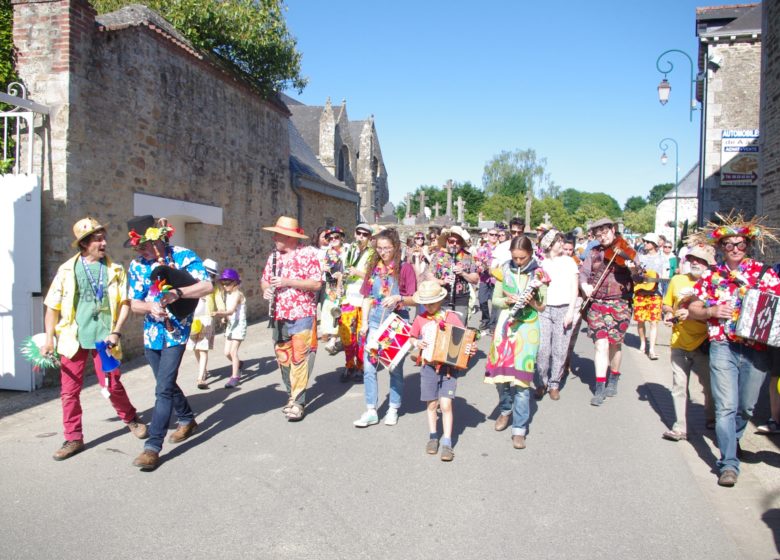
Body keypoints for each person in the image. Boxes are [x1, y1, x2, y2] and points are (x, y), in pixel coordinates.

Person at [42, 217, 148, 461]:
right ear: (84, 244)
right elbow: (52, 307)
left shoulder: (115, 270)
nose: (104, 243)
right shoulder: (67, 270)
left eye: (103, 238)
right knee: (69, 392)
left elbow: (124, 303)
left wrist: (116, 331)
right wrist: (49, 339)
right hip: (73, 337)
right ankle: (73, 437)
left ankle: (131, 418)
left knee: (111, 385)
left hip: (104, 339)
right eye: (98, 239)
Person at [687, 214, 780, 487]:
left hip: (756, 348)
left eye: (740, 244)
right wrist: (711, 311)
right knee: (726, 406)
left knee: (746, 406)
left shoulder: (766, 274)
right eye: (729, 244)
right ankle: (728, 463)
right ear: (721, 247)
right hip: (722, 345)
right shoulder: (711, 276)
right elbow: (693, 308)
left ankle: (734, 437)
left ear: (748, 245)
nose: (735, 248)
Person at [127, 216, 213, 470]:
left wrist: (177, 293)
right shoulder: (137, 265)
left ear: (156, 240)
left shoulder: (183, 256)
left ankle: (152, 447)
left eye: (142, 246)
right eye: (137, 247)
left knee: (162, 389)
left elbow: (207, 285)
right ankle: (187, 419)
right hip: (152, 333)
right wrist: (150, 307)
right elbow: (134, 302)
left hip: (176, 332)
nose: (139, 251)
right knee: (165, 382)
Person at [484, 236, 547, 449]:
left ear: (531, 254)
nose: (518, 262)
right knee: (501, 378)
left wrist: (533, 300)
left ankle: (519, 429)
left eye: (523, 258)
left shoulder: (539, 274)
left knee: (521, 382)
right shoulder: (504, 270)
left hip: (527, 330)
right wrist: (507, 300)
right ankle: (505, 410)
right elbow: (495, 299)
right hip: (506, 326)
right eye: (515, 257)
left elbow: (542, 306)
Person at [261, 216, 323, 422]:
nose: (274, 237)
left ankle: (298, 401)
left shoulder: (307, 255)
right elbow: (264, 281)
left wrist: (288, 281)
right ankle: (292, 394)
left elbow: (316, 284)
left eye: (278, 234)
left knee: (300, 358)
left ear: (290, 237)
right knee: (283, 357)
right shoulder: (273, 257)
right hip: (279, 315)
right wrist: (266, 291)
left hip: (302, 314)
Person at [354, 228, 417, 428]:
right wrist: (363, 323)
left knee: (394, 369)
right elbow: (366, 297)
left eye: (387, 248)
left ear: (395, 247)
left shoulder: (405, 268)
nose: (383, 252)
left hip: (396, 325)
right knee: (369, 367)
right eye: (380, 248)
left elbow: (415, 298)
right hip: (374, 322)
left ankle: (393, 408)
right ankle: (371, 409)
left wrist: (399, 298)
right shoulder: (373, 268)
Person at [409, 280, 476, 462]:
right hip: (428, 366)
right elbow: (412, 337)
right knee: (432, 404)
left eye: (432, 303)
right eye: (425, 303)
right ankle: (433, 437)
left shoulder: (451, 317)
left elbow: (465, 340)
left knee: (445, 405)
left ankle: (446, 442)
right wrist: (417, 343)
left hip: (448, 368)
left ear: (440, 301)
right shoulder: (420, 319)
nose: (429, 306)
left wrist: (469, 348)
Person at [660, 246, 716, 442]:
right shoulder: (677, 280)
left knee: (709, 386)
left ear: (708, 265)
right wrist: (668, 312)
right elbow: (667, 303)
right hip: (679, 341)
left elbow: (716, 314)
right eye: (692, 258)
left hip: (704, 343)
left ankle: (711, 417)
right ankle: (680, 427)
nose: (695, 262)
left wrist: (692, 314)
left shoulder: (714, 284)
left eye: (700, 260)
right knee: (679, 385)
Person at [580, 217, 636, 407]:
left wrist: (634, 269)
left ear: (613, 229)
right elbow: (584, 273)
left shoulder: (626, 250)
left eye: (605, 232)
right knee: (600, 344)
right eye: (598, 234)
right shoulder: (594, 253)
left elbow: (639, 276)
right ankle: (600, 387)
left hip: (619, 304)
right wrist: (584, 285)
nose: (602, 237)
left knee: (614, 344)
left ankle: (614, 376)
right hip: (597, 303)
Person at [535, 230, 579, 400]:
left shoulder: (569, 262)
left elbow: (574, 288)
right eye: (558, 241)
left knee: (559, 349)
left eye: (561, 240)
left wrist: (570, 311)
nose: (562, 244)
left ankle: (554, 383)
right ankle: (541, 382)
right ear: (549, 244)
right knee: (543, 349)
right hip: (544, 309)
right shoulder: (541, 262)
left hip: (563, 308)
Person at [337, 223, 374, 382]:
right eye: (359, 233)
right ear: (355, 233)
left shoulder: (373, 254)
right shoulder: (348, 250)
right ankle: (349, 364)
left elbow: (373, 276)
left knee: (361, 335)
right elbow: (342, 271)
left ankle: (360, 366)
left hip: (364, 298)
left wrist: (357, 272)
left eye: (365, 235)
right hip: (348, 298)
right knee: (346, 335)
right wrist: (339, 287)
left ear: (369, 238)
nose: (361, 237)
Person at [424, 226, 479, 320]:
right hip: (442, 297)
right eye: (451, 241)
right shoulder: (438, 256)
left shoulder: (468, 256)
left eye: (457, 242)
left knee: (459, 328)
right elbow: (429, 276)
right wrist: (442, 282)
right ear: (446, 241)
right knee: (443, 328)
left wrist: (463, 273)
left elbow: (475, 279)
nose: (454, 244)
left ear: (461, 243)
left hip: (461, 298)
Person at [188, 258, 219, 390]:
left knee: (203, 348)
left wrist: (222, 313)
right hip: (193, 319)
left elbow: (218, 301)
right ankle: (203, 369)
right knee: (195, 347)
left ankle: (200, 378)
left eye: (210, 274)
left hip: (206, 319)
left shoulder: (213, 288)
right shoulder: (193, 285)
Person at [212, 268, 246, 389]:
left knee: (233, 352)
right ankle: (239, 364)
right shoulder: (228, 294)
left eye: (228, 283)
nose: (225, 285)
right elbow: (229, 312)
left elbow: (231, 311)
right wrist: (224, 318)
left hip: (239, 325)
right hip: (231, 325)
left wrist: (219, 314)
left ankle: (235, 377)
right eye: (223, 283)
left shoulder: (238, 294)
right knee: (226, 352)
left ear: (235, 282)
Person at [633, 233, 665, 360]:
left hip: (655, 293)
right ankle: (642, 343)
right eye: (644, 241)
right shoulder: (640, 257)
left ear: (654, 244)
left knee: (653, 322)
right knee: (640, 321)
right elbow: (634, 274)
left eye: (648, 242)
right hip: (641, 292)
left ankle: (651, 348)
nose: (645, 244)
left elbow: (665, 276)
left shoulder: (662, 259)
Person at [321, 227, 345, 354]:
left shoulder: (347, 251)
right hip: (332, 287)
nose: (333, 240)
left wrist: (341, 279)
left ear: (341, 238)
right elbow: (328, 271)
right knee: (330, 312)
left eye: (336, 237)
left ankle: (334, 340)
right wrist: (324, 269)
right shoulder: (328, 253)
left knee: (341, 313)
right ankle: (334, 339)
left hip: (346, 286)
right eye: (330, 238)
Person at [475, 228, 499, 333]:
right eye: (491, 234)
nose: (493, 236)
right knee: (482, 300)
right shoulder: (482, 248)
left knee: (495, 303)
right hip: (484, 278)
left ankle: (493, 324)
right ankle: (485, 319)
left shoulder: (500, 249)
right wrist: (480, 266)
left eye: (496, 235)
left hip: (496, 279)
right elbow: (477, 262)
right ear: (488, 235)